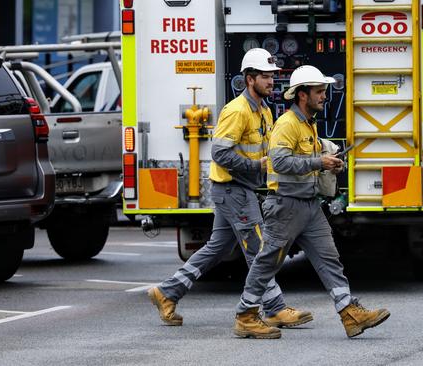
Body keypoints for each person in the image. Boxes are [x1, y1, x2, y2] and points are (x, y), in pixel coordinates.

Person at [148, 48, 312, 329]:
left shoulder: (263, 110)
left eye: (273, 76)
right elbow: (219, 154)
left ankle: (167, 291)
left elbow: (271, 148)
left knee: (216, 248)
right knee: (260, 250)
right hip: (233, 189)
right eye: (265, 76)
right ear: (249, 79)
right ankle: (275, 308)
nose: (271, 81)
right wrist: (256, 167)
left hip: (239, 189)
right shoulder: (237, 111)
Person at [233, 65, 390, 339]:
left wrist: (330, 164)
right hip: (285, 206)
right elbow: (279, 161)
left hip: (308, 206)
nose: (324, 97)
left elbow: (306, 163)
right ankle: (246, 315)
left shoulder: (308, 124)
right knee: (267, 261)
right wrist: (320, 161)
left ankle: (350, 313)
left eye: (325, 92)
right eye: (319, 92)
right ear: (302, 95)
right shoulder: (287, 124)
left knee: (329, 259)